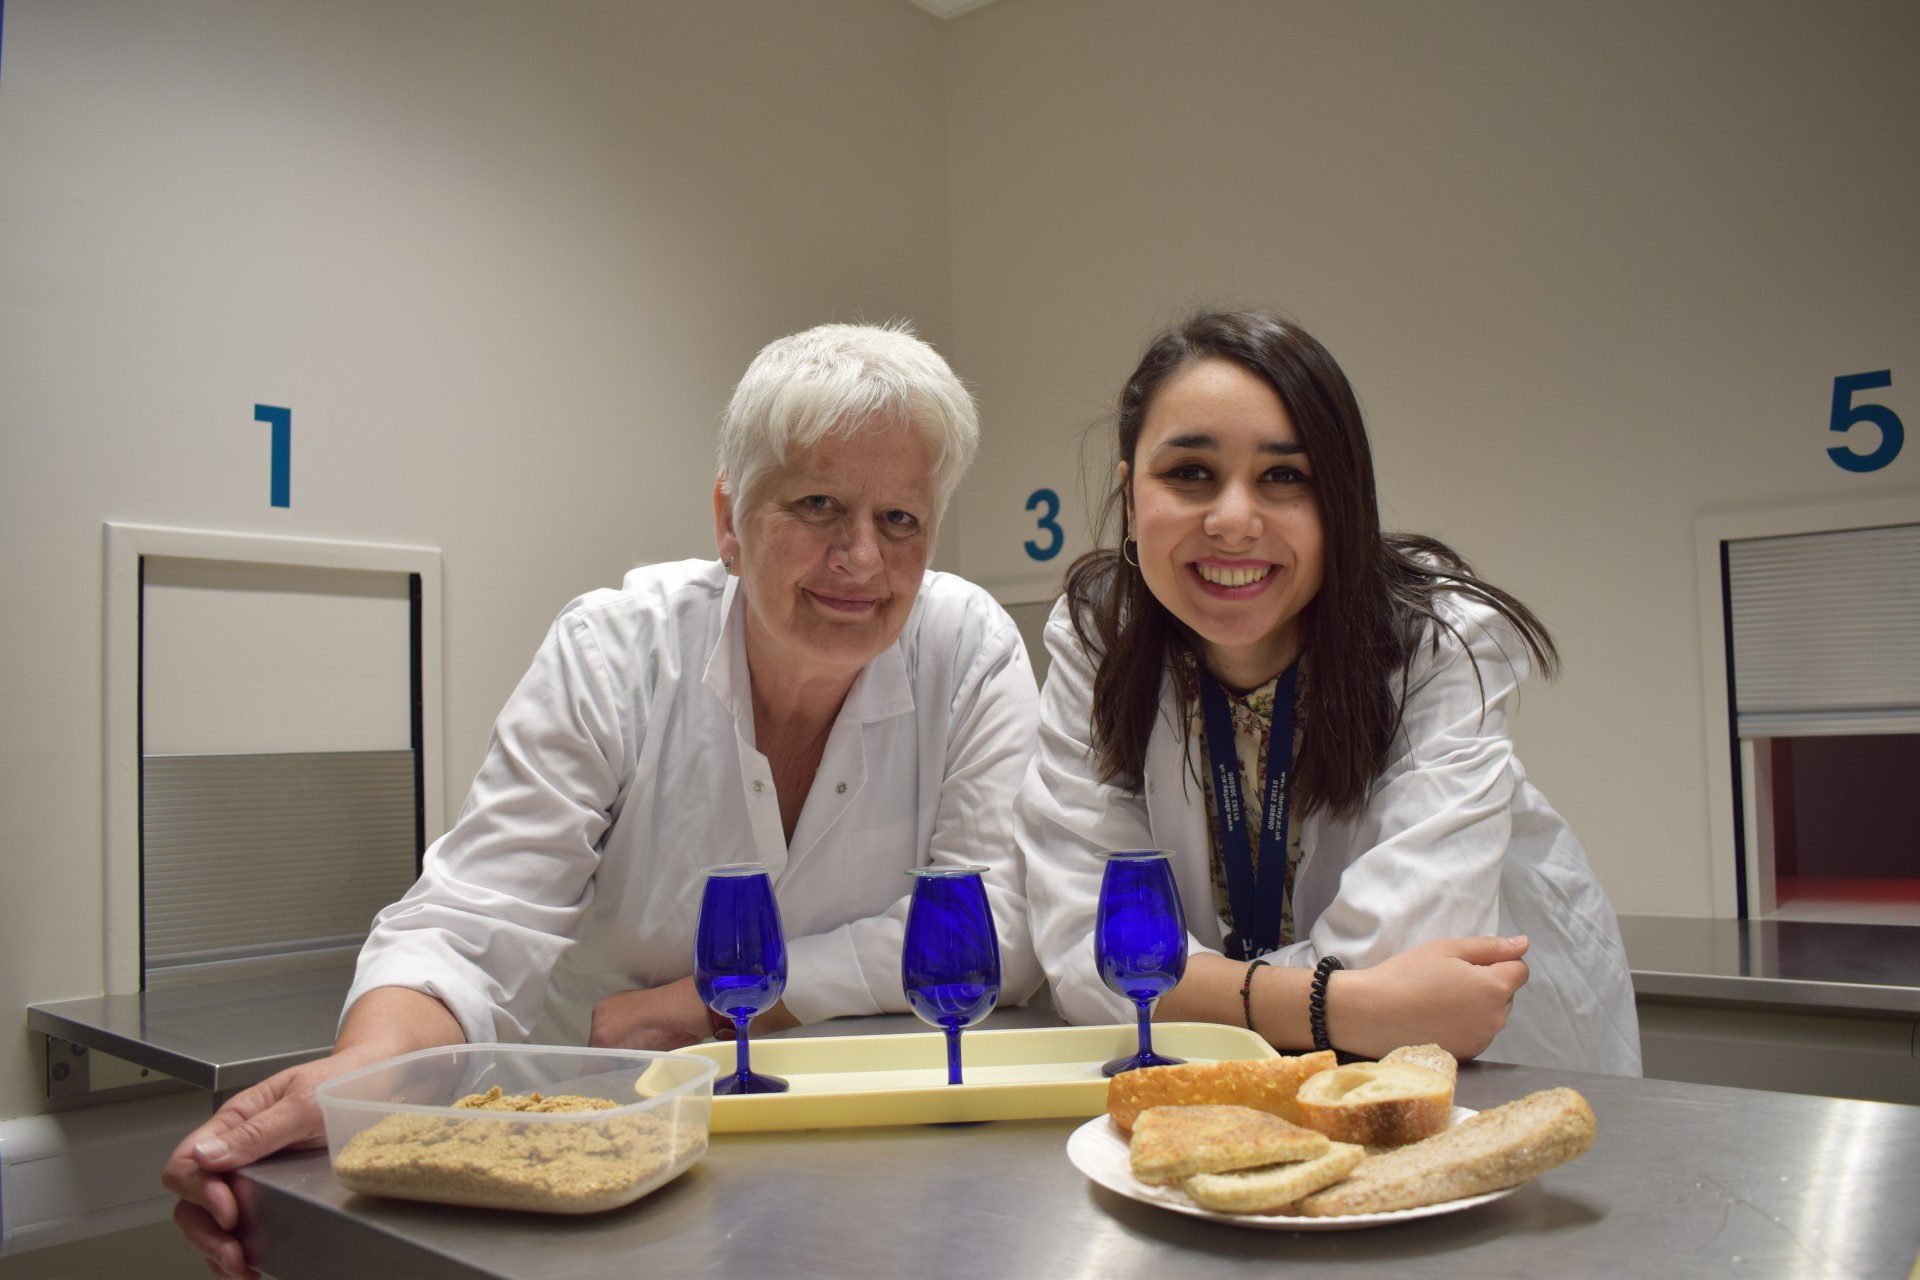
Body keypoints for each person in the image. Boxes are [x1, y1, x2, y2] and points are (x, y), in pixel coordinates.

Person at [164, 321, 1044, 1277]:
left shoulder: (969, 649)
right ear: (728, 520)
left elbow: (996, 927)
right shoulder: (615, 653)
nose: (861, 558)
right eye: (818, 504)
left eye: (901, 521)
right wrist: (364, 1079)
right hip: (601, 1162)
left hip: (883, 1161)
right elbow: (473, 919)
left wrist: (711, 1005)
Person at [1020, 308, 1641, 1075]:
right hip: (1218, 1078)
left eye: (1285, 476)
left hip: (1471, 1069)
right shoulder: (1097, 638)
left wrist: (1198, 988)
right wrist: (1342, 1004)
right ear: (1130, 491)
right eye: (1190, 473)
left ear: (1340, 501)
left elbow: (1406, 946)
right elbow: (1085, 952)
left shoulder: (1438, 642)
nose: (1233, 520)